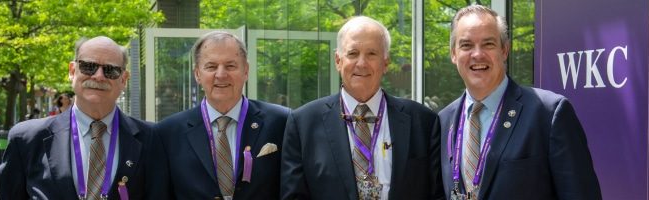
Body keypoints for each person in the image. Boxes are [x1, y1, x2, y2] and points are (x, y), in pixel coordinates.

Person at [438, 5, 601, 200]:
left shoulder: (548, 113)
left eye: (488, 44)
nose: (477, 54)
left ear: (504, 50)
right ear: (453, 54)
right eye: (466, 45)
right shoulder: (443, 121)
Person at [281, 16, 444, 200]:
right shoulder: (303, 124)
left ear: (386, 63)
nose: (362, 63)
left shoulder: (422, 121)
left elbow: (435, 193)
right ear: (338, 60)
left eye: (371, 54)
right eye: (353, 53)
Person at [0, 36, 166, 199]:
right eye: (88, 66)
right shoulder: (27, 139)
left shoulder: (152, 139)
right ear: (72, 71)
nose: (99, 76)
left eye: (111, 70)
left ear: (124, 79)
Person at [153, 31, 290, 199]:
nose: (221, 74)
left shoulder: (282, 122)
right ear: (197, 74)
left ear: (245, 71)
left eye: (230, 66)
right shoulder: (167, 133)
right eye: (211, 66)